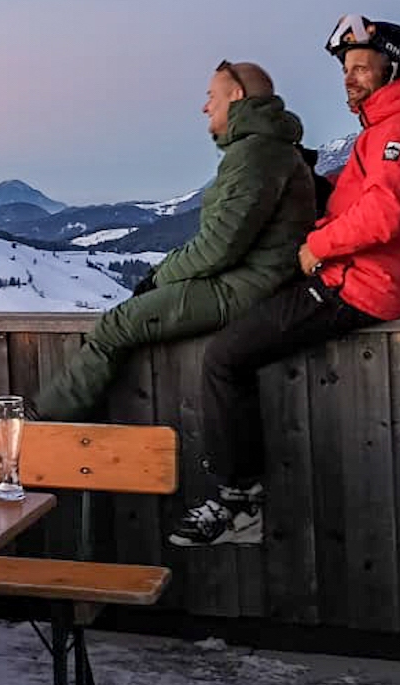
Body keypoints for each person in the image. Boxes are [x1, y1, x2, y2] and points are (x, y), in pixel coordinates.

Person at [169, 15, 400, 547]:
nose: (350, 77)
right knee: (241, 324)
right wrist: (304, 181)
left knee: (225, 358)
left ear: (393, 67)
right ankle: (238, 493)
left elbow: (386, 215)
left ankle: (238, 503)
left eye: (361, 66)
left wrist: (315, 246)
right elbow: (355, 197)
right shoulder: (387, 128)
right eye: (346, 68)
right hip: (356, 276)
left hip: (358, 284)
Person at [34, 60, 316, 423]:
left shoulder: (256, 153)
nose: (205, 106)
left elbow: (220, 245)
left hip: (246, 288)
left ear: (237, 95)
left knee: (115, 325)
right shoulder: (268, 148)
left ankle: (43, 423)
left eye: (212, 96)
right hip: (258, 282)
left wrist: (160, 276)